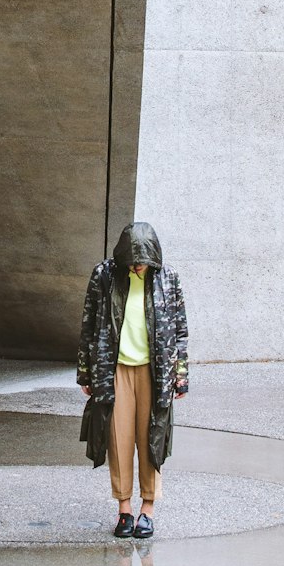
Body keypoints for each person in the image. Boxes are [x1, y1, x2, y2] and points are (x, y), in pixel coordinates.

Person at [76, 222, 189, 538]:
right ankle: (124, 510)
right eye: (133, 260)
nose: (138, 266)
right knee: (118, 439)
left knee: (151, 439)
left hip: (154, 372)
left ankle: (148, 510)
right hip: (115, 370)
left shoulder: (168, 279)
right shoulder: (105, 276)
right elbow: (88, 326)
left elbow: (179, 331)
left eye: (144, 260)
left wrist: (180, 376)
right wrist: (86, 372)